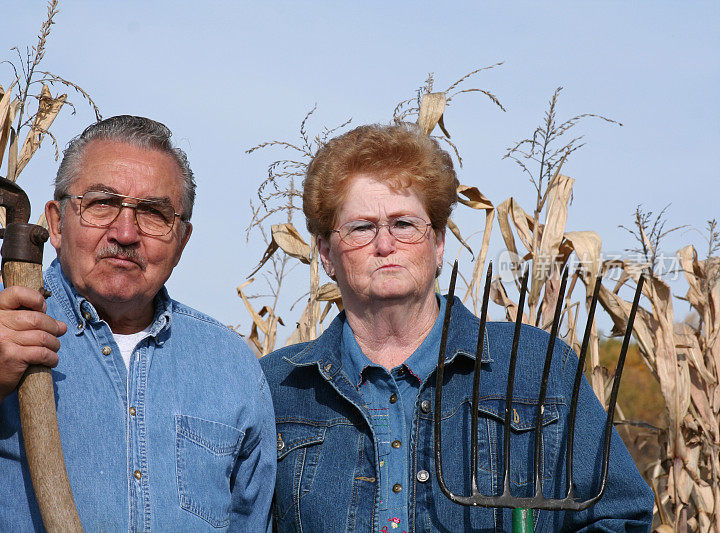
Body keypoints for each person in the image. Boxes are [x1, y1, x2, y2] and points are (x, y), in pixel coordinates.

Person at [259, 123, 654, 532]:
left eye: (404, 224)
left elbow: (621, 517)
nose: (385, 244)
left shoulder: (535, 366)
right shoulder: (277, 388)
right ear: (326, 252)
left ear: (439, 242)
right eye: (361, 227)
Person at [0, 115, 276, 531]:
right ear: (55, 223)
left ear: (182, 241)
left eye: (154, 213)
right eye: (102, 204)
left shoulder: (231, 367)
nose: (126, 233)